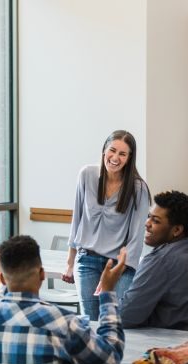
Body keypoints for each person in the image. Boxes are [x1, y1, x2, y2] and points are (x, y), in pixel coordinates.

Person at [0, 235, 125, 364]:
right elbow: (112, 355)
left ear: (2, 279)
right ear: (42, 274)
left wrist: (4, 279)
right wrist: (107, 292)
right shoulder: (63, 323)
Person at [62, 130, 150, 320]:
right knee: (91, 322)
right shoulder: (86, 174)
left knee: (112, 320)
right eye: (112, 150)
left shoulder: (138, 188)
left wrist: (116, 272)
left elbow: (136, 238)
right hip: (87, 261)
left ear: (129, 159)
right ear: (104, 150)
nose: (115, 158)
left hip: (120, 266)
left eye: (122, 154)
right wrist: (70, 263)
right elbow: (76, 220)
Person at [119, 190, 188, 333]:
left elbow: (126, 316)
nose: (147, 223)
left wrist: (108, 289)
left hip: (179, 344)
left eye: (155, 221)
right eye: (148, 217)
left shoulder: (160, 260)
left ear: (176, 230)